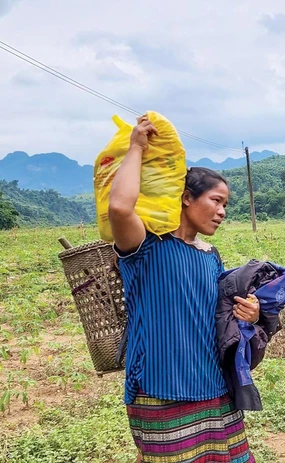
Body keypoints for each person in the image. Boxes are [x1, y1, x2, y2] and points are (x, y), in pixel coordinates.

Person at [109, 115, 259, 463]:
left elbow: (220, 321)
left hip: (216, 388)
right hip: (162, 389)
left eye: (226, 205)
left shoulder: (211, 257)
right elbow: (119, 207)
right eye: (216, 201)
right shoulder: (145, 247)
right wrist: (135, 148)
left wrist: (248, 314)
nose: (222, 212)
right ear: (187, 198)